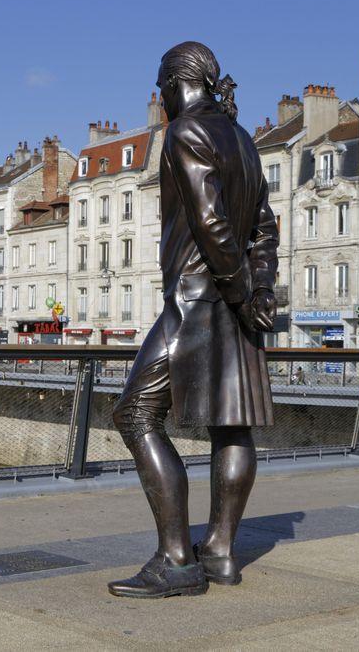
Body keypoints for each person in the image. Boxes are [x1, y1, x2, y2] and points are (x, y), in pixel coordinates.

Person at [107, 42, 279, 599]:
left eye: (160, 86)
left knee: (135, 414)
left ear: (174, 82)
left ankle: (177, 559)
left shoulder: (185, 133)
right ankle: (222, 552)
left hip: (196, 299)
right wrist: (258, 290)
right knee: (233, 425)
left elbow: (211, 223)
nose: (159, 98)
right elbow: (264, 228)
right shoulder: (247, 141)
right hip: (237, 303)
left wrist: (234, 286)